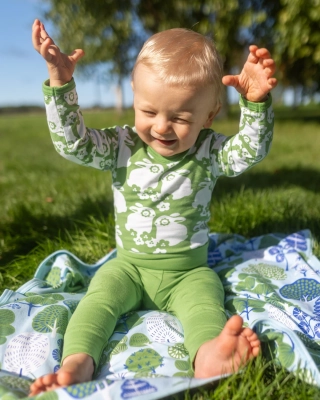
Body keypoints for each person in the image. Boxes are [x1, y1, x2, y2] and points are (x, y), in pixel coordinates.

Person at [30, 18, 277, 395]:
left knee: (206, 300)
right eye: (148, 112)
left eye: (180, 117)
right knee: (98, 298)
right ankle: (77, 363)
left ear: (208, 116)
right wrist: (61, 83)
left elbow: (249, 152)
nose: (161, 126)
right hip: (128, 267)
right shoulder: (122, 145)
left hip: (187, 273)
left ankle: (209, 354)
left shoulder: (208, 151)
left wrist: (255, 105)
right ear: (134, 98)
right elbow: (74, 144)